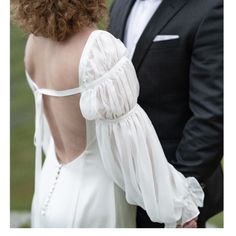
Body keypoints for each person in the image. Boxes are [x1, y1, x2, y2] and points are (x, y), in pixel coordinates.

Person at [11, 0, 204, 228]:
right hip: (94, 202)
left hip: (49, 188)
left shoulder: (34, 44)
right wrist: (178, 207)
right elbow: (133, 144)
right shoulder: (96, 49)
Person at [108, 0, 223, 228]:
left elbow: (212, 114)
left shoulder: (212, 8)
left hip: (174, 189)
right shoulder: (119, 6)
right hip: (117, 189)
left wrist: (179, 197)